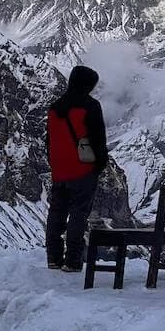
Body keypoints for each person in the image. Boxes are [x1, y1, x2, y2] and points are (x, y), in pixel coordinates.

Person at [45, 65, 109, 271]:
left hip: (59, 169)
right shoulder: (90, 106)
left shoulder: (55, 108)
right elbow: (98, 138)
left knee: (56, 213)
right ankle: (72, 259)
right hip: (82, 169)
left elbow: (50, 140)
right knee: (78, 214)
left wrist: (55, 164)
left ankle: (53, 257)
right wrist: (99, 164)